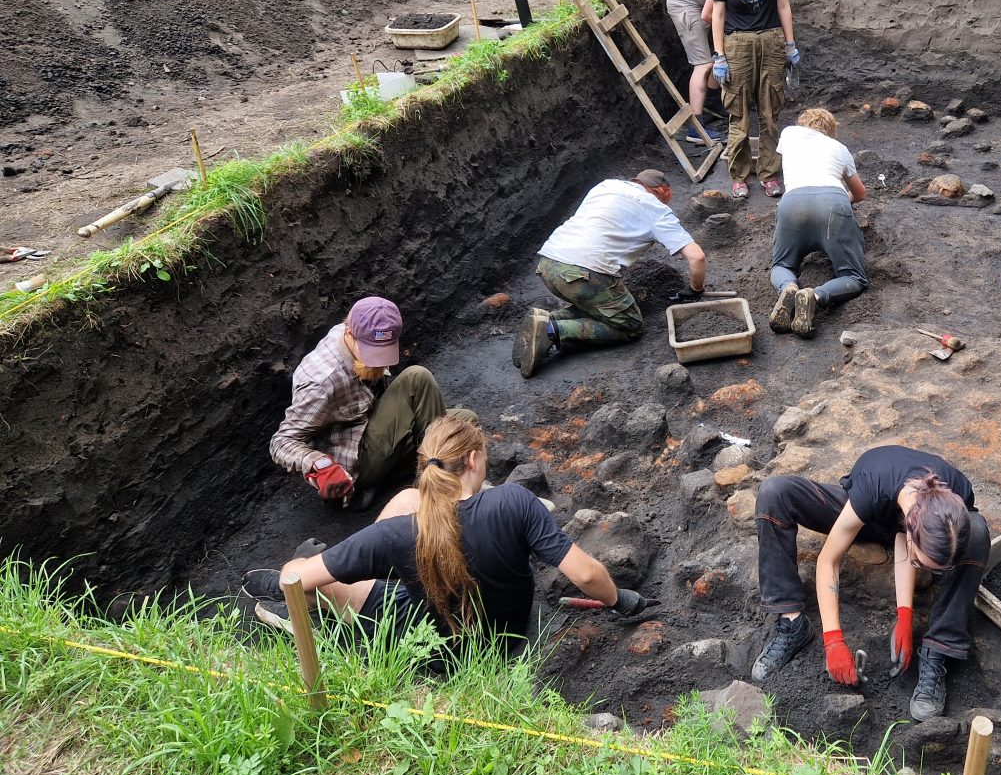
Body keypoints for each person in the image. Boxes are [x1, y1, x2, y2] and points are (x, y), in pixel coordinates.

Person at [244, 413, 644, 650]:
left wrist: (307, 565)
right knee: (404, 501)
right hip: (508, 632)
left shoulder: (398, 535)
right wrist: (617, 598)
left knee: (298, 569)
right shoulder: (515, 502)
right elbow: (588, 574)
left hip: (434, 645)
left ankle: (308, 611)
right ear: (473, 460)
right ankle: (353, 569)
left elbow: (293, 579)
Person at [751, 445, 991, 722]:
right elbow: (828, 561)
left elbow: (903, 538)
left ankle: (938, 650)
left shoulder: (957, 497)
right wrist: (833, 642)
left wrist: (904, 615)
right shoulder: (874, 485)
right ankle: (792, 624)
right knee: (774, 492)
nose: (926, 571)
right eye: (922, 563)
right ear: (912, 530)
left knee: (977, 532)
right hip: (868, 516)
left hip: (903, 525)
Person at [517, 168, 707, 378]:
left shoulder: (606, 185)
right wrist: (695, 289)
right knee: (630, 325)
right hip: (582, 272)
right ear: (661, 191)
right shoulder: (654, 209)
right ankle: (551, 331)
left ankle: (545, 318)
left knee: (600, 306)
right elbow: (696, 257)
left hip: (549, 262)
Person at [270, 296, 449, 510]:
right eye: (372, 351)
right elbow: (281, 442)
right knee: (417, 378)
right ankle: (438, 485)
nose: (380, 361)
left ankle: (396, 475)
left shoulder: (359, 327)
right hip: (353, 461)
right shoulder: (321, 383)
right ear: (349, 333)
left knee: (463, 423)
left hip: (372, 426)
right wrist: (321, 465)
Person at [708, 0, 798, 201]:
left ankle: (769, 174)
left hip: (771, 41)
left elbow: (783, 4)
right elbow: (717, 14)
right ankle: (739, 175)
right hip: (737, 44)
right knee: (739, 113)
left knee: (771, 111)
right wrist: (719, 55)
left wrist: (790, 44)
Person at [767, 108, 869, 339]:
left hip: (793, 203)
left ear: (802, 124)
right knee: (854, 277)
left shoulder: (789, 134)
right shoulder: (840, 149)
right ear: (831, 131)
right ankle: (815, 296)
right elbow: (861, 194)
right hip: (834, 202)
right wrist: (844, 204)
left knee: (781, 265)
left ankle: (789, 288)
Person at [666, 0, 732, 144]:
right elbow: (708, 14)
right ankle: (695, 128)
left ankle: (712, 104)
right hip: (684, 3)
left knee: (718, 53)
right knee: (703, 63)